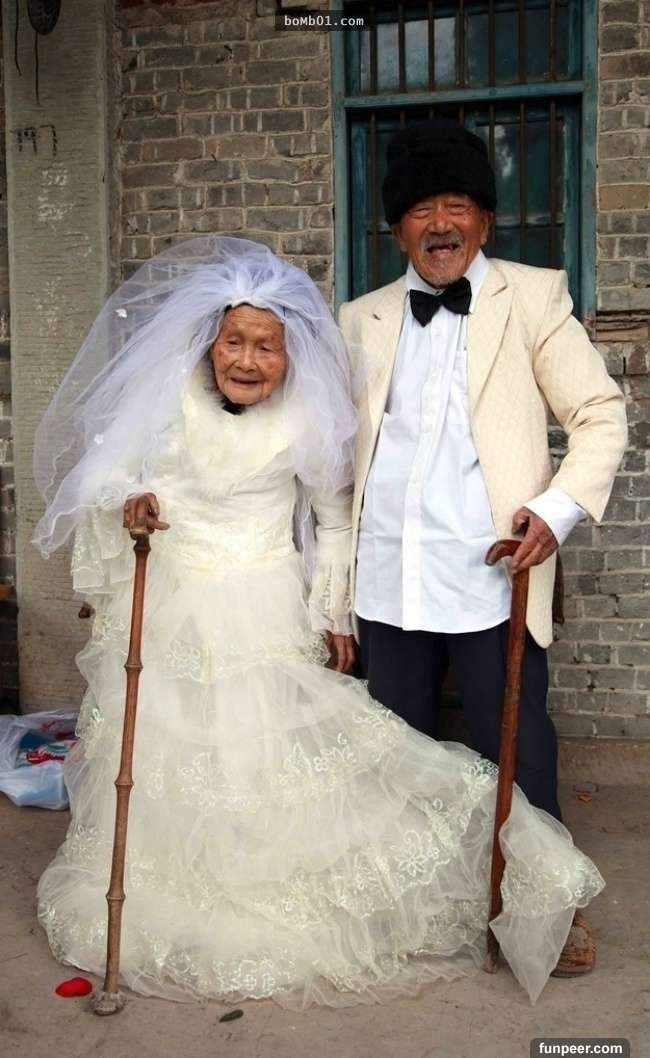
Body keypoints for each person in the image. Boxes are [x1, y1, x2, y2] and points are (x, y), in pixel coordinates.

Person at [36, 236, 603, 1009]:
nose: (248, 359)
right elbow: (106, 472)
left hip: (268, 603)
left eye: (265, 346)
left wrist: (330, 608)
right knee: (171, 756)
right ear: (208, 344)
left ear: (289, 353)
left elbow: (335, 520)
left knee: (267, 753)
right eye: (234, 342)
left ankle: (521, 884)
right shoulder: (167, 403)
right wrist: (129, 502)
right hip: (172, 604)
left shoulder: (306, 417)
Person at [338, 119, 628, 977]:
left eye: (457, 205)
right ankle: (418, 899)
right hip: (389, 574)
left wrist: (555, 510)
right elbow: (328, 456)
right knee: (397, 749)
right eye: (421, 209)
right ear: (396, 229)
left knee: (519, 745)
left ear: (485, 219)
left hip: (493, 571)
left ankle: (545, 905)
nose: (440, 224)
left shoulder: (532, 298)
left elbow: (599, 414)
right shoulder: (358, 319)